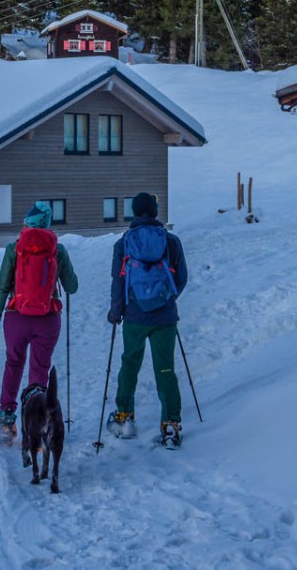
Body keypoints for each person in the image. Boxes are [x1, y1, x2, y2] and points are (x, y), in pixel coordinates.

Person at [0, 202, 78, 436]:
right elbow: (72, 286)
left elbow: (2, 285)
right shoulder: (58, 249)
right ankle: (38, 420)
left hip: (17, 317)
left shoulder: (14, 249)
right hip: (48, 318)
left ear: (27, 222)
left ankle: (7, 418)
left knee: (14, 362)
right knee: (40, 367)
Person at [107, 191, 188, 447]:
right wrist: (166, 298)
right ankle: (171, 425)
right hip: (164, 316)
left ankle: (124, 418)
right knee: (165, 369)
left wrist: (116, 311)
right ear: (154, 212)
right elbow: (181, 277)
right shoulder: (170, 241)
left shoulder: (124, 243)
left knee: (130, 364)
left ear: (134, 212)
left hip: (134, 316)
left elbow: (118, 280)